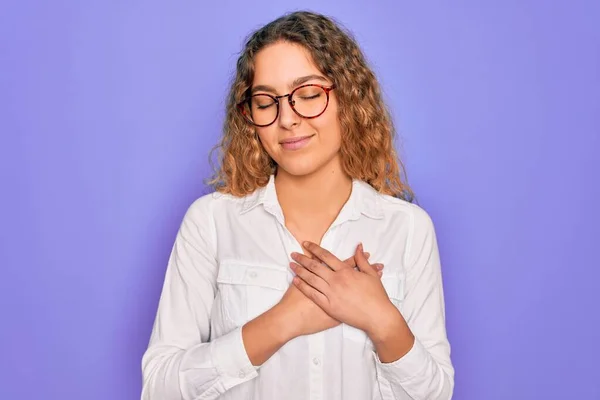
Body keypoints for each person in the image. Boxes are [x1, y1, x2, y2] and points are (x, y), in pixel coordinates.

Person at [141, 10, 454, 400]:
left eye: (308, 95)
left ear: (350, 98)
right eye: (265, 101)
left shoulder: (407, 229)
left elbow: (435, 394)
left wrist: (383, 321)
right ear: (250, 116)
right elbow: (158, 389)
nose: (287, 118)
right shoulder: (211, 222)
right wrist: (282, 322)